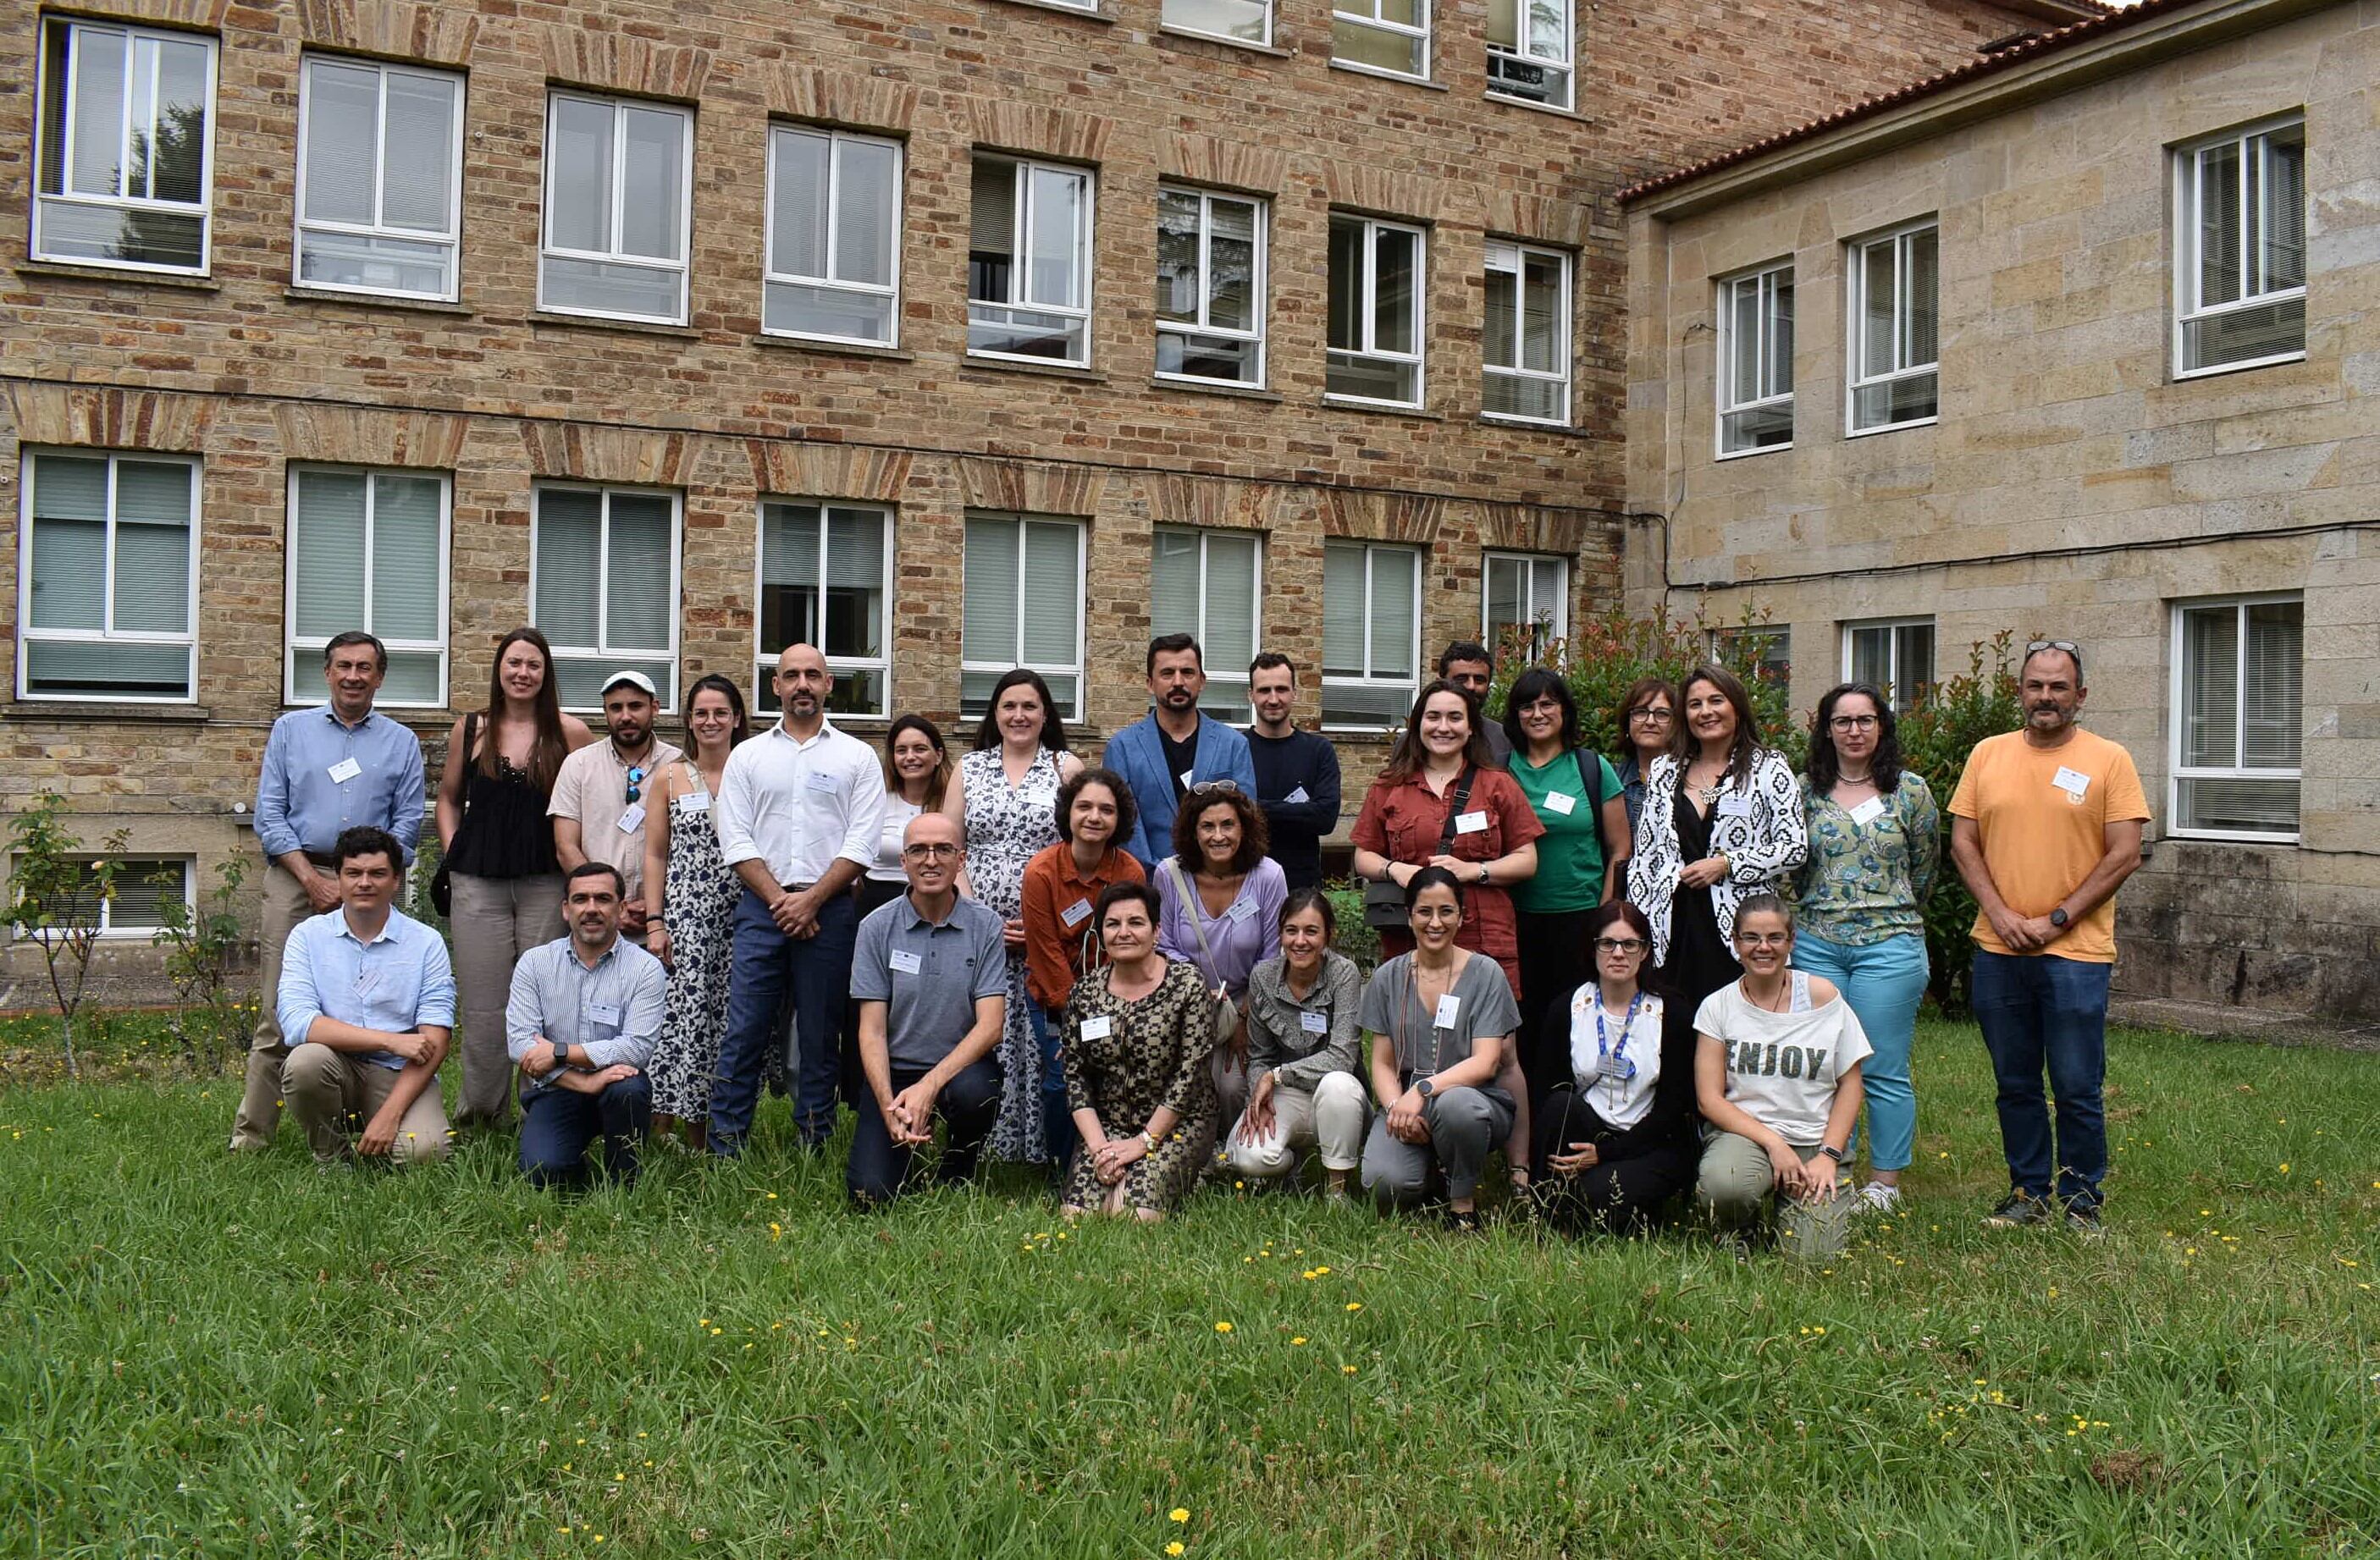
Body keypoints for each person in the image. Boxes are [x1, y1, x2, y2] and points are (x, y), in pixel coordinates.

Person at [1949, 640, 2147, 1233]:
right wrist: (2001, 914)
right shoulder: (1987, 754)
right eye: (2035, 685)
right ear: (2019, 692)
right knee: (2013, 1082)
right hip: (1997, 947)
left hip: (2075, 953)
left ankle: (2082, 1200)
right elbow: (1963, 842)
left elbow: (2124, 853)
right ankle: (2026, 1192)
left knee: (2075, 1083)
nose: (2045, 696)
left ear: (2079, 695)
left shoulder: (2109, 759)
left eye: (2058, 687)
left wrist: (2054, 919)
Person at [234, 631, 427, 1155]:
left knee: (376, 1006)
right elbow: (269, 814)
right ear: (326, 672)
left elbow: (409, 823)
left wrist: (361, 879)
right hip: (299, 878)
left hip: (372, 886)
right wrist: (313, 878)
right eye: (344, 665)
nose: (353, 677)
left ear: (380, 677)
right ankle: (251, 1139)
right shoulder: (290, 731)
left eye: (365, 668)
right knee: (278, 1013)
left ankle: (364, 1120)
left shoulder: (400, 742)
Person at [710, 643, 886, 1156]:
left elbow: (863, 842)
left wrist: (811, 900)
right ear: (776, 686)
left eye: (813, 675)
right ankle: (726, 1147)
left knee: (819, 1035)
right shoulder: (748, 756)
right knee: (743, 1030)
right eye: (792, 676)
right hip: (760, 910)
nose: (803, 684)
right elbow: (735, 838)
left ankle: (814, 1142)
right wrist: (782, 902)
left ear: (830, 684)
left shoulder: (856, 756)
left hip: (829, 913)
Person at [435, 627, 596, 1127]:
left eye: (533, 665)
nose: (522, 673)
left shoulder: (571, 733)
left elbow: (588, 807)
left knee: (543, 1005)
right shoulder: (471, 728)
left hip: (545, 885)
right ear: (499, 670)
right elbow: (447, 800)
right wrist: (453, 851)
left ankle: (540, 1113)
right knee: (484, 1008)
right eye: (514, 663)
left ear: (546, 674)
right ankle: (481, 1115)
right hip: (477, 882)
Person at [1793, 682, 1939, 1214]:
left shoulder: (1911, 791)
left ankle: (1885, 1182)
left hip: (1890, 945)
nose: (1854, 731)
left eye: (1865, 720)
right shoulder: (1804, 790)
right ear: (1826, 730)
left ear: (1882, 726)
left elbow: (1925, 867)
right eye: (1842, 721)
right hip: (1817, 946)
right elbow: (1792, 866)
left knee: (1881, 1065)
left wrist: (1889, 913)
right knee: (1826, 1063)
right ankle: (1837, 1164)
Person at [942, 670, 1085, 1167]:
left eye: (1030, 706)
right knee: (986, 1031)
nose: (1019, 715)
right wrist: (979, 915)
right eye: (1009, 706)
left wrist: (1043, 921)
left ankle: (1045, 1151)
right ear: (995, 715)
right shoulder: (970, 767)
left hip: (1049, 930)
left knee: (1043, 1039)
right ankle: (983, 1150)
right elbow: (950, 846)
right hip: (978, 928)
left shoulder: (1066, 767)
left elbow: (1081, 847)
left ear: (1046, 714)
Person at [1692, 896, 1870, 1261]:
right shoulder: (1718, 1006)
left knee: (1813, 1260)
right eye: (1751, 937)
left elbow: (1851, 1084)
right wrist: (1775, 1144)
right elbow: (1709, 1100)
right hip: (1747, 1137)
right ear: (1736, 941)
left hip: (1814, 1142)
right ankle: (1738, 1225)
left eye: (1775, 937)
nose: (1763, 947)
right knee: (1726, 1186)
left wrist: (1829, 1155)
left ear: (1791, 942)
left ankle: (1792, 1205)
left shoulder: (1823, 998)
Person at [1626, 663, 1806, 1019]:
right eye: (1695, 704)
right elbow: (1644, 858)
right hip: (1671, 927)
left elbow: (1794, 846)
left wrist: (1726, 864)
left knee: (1735, 1026)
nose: (1706, 712)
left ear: (1736, 707)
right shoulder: (1664, 770)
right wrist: (1637, 927)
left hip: (1739, 926)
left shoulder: (1769, 768)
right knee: (1674, 1028)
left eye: (1716, 700)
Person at [847, 813, 1008, 1206]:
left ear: (962, 859)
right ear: (903, 862)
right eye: (918, 850)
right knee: (871, 1195)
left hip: (960, 1072)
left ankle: (957, 1165)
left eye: (943, 850)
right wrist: (889, 1103)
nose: (930, 860)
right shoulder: (875, 927)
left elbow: (991, 1027)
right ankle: (904, 1142)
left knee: (977, 1092)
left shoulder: (985, 926)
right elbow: (871, 1031)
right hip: (895, 1072)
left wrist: (929, 1087)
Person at [275, 826, 453, 1167]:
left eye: (377, 874)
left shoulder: (426, 943)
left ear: (397, 880)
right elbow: (299, 1024)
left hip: (400, 1073)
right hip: (334, 1065)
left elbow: (436, 1038)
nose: (364, 883)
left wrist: (390, 1115)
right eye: (353, 873)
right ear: (339, 878)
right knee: (305, 1062)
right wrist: (389, 1040)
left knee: (426, 1154)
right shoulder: (308, 937)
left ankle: (382, 1129)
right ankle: (332, 1156)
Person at [1357, 868, 1523, 1230]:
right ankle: (1432, 1171)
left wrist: (1423, 1090)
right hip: (1406, 1104)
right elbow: (1382, 1064)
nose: (1435, 922)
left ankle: (1462, 1203)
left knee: (1456, 1107)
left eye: (1446, 911)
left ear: (1462, 917)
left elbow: (1486, 1061)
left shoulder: (1486, 973)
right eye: (1424, 911)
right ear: (1408, 915)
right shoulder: (1387, 978)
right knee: (1384, 1187)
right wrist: (1397, 1109)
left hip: (1473, 1100)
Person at [1502, 666, 1632, 1112]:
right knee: (1521, 1025)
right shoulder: (1500, 769)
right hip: (1513, 919)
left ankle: (1571, 1118)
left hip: (1579, 918)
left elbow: (1619, 847)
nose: (1538, 713)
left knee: (1572, 1021)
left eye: (1547, 704)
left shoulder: (1592, 768)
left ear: (1564, 710)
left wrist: (1605, 915)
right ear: (1515, 715)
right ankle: (1524, 1125)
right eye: (1527, 705)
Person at [1532, 900, 1698, 1235]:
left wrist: (1605, 1154)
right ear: (1593, 950)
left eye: (1630, 944)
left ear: (1646, 951)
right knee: (1557, 1105)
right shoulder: (1568, 1007)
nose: (1618, 953)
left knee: (1602, 1194)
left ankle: (1615, 1204)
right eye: (1607, 943)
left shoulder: (1674, 1013)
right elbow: (1546, 1087)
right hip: (1586, 1129)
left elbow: (1673, 1107)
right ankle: (1549, 1208)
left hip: (1650, 1141)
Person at [640, 674, 756, 1152]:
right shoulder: (669, 777)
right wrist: (655, 921)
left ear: (736, 720)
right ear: (689, 720)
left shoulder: (751, 771)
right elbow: (654, 854)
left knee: (727, 1020)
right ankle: (664, 1125)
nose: (711, 721)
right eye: (701, 713)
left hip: (741, 914)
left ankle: (712, 1129)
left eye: (720, 713)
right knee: (682, 1021)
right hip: (686, 917)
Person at [1060, 881, 1221, 1221]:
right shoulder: (1084, 994)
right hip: (1107, 1127)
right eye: (1113, 924)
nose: (1123, 933)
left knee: (1132, 1215)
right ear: (1102, 932)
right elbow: (1076, 1078)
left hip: (1176, 1124)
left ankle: (1191, 1176)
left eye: (1135, 922)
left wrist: (1144, 1143)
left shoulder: (1187, 985)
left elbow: (1190, 1075)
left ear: (1156, 930)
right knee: (1076, 1216)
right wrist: (1100, 1149)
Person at [506, 863, 665, 1190]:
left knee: (629, 1090)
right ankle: (573, 1160)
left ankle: (623, 1182)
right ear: (566, 909)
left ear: (621, 909)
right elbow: (520, 1044)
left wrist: (560, 1052)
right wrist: (585, 1082)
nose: (591, 909)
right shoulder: (535, 964)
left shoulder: (646, 968)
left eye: (603, 899)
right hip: (558, 1089)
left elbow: (636, 1047)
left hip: (618, 1087)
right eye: (581, 899)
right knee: (541, 1172)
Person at [1019, 767, 1146, 1173]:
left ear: (1119, 819)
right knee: (1063, 1080)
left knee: (1117, 1076)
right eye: (1085, 807)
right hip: (1055, 1001)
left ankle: (1116, 1159)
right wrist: (1081, 1022)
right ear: (1068, 813)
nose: (1095, 817)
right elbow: (1045, 954)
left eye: (1106, 810)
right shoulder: (1041, 873)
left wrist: (1108, 1011)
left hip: (1116, 994)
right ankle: (1063, 1168)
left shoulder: (1130, 872)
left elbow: (1127, 949)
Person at [1153, 783, 1287, 1133]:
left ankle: (1234, 1151)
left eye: (1227, 825)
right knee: (1190, 1079)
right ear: (1192, 832)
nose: (1218, 836)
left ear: (1244, 827)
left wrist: (1243, 1018)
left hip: (1250, 1000)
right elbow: (1164, 946)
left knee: (1231, 1086)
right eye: (1207, 827)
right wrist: (1201, 1000)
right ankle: (1192, 1152)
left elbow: (1272, 955)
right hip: (1187, 1000)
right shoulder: (1169, 875)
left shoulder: (1269, 876)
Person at [1226, 888, 1367, 1198]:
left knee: (1338, 1086)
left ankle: (1337, 1190)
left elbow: (1342, 1057)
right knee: (1249, 1158)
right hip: (1287, 1095)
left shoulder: (1344, 975)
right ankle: (1292, 1164)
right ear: (1280, 933)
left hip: (1339, 1098)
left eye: (1311, 931)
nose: (1300, 941)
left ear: (1329, 935)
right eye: (1291, 930)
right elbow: (1260, 1055)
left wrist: (1276, 1076)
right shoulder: (1263, 976)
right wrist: (1257, 1097)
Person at [1102, 634, 1258, 868]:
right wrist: (1160, 876)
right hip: (1147, 885)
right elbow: (1125, 825)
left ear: (1202, 681)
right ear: (1149, 683)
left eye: (1187, 672)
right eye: (1167, 673)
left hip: (1217, 883)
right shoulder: (1122, 747)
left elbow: (1246, 819)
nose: (1178, 682)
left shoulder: (1234, 744)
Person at [549, 670, 682, 940]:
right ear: (605, 712)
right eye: (616, 708)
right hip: (596, 923)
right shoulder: (579, 765)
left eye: (635, 706)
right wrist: (610, 906)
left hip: (665, 922)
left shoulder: (680, 765)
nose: (626, 716)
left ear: (654, 707)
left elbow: (690, 846)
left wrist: (655, 907)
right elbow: (566, 847)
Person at [1244, 653, 1341, 892]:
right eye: (1264, 690)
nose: (1274, 699)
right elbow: (1230, 813)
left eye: (1282, 689)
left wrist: (1255, 808)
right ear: (1251, 695)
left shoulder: (1319, 750)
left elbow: (1325, 819)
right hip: (1245, 885)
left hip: (1302, 888)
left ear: (1295, 693)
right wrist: (1300, 813)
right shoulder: (1235, 748)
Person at [865, 715, 950, 921]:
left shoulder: (953, 803)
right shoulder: (877, 800)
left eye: (920, 749)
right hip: (877, 902)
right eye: (901, 750)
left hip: (936, 905)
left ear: (938, 756)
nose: (910, 757)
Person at [1611, 675, 1677, 837]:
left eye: (1662, 714)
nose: (1650, 721)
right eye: (1640, 712)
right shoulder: (1611, 780)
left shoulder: (1691, 780)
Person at [1437, 642, 1512, 766]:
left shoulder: (1504, 739)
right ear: (1440, 683)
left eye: (1479, 680)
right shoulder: (1415, 740)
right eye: (1461, 679)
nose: (1471, 686)